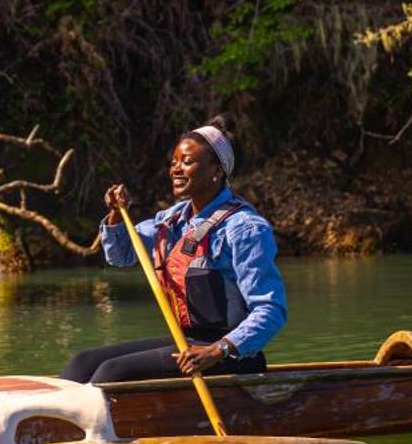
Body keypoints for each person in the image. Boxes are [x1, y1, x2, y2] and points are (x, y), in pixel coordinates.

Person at [60, 116, 285, 386]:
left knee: (112, 374)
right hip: (188, 343)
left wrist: (218, 350)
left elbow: (271, 311)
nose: (176, 169)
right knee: (81, 363)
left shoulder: (245, 228)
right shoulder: (172, 219)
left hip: (231, 354)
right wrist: (116, 216)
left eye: (187, 161)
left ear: (216, 170)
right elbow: (120, 257)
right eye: (174, 162)